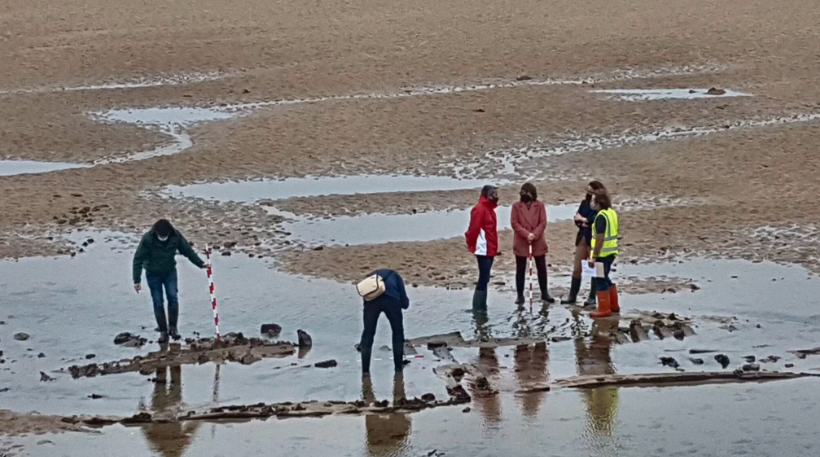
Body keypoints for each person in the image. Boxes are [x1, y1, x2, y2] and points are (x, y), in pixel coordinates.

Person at [133, 219, 207, 344]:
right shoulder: (147, 239)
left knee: (172, 297)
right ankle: (163, 331)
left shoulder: (175, 236)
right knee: (158, 302)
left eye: (165, 235)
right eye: (161, 236)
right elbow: (138, 259)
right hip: (152, 274)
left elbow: (187, 251)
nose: (163, 238)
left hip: (169, 272)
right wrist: (137, 280)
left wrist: (201, 264)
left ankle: (173, 328)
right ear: (155, 232)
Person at [562, 181, 607, 306]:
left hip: (592, 238)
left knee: (593, 268)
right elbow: (578, 218)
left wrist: (584, 220)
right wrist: (583, 221)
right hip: (582, 236)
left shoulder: (600, 206)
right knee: (577, 268)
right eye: (587, 191)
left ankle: (592, 297)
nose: (588, 194)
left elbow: (594, 220)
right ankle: (572, 295)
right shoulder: (584, 203)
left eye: (591, 192)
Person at [359, 269, 409, 375]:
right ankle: (398, 369)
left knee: (368, 333)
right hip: (392, 300)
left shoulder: (370, 279)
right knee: (397, 332)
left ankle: (365, 372)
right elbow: (405, 304)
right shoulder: (396, 276)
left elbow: (366, 298)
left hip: (371, 301)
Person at [511, 182, 553, 305]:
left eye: (527, 193)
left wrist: (534, 235)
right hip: (521, 241)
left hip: (537, 240)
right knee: (520, 268)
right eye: (522, 193)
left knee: (541, 267)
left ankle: (544, 292)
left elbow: (543, 222)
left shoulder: (540, 206)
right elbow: (514, 223)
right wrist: (526, 234)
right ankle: (520, 295)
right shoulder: (516, 206)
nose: (524, 195)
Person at [465, 185, 499, 311]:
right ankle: (477, 307)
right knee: (483, 277)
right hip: (482, 249)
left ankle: (482, 305)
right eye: (493, 194)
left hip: (489, 248)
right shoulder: (479, 209)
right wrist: (471, 244)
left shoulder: (490, 210)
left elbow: (492, 232)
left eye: (496, 194)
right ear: (487, 195)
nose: (496, 197)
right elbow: (473, 229)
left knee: (486, 277)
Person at [587, 188, 620, 318]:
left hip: (602, 254)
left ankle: (604, 308)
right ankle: (613, 305)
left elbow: (600, 239)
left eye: (593, 201)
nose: (592, 203)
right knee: (605, 277)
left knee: (600, 279)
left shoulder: (601, 217)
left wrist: (593, 257)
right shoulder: (611, 213)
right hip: (611, 252)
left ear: (599, 202)